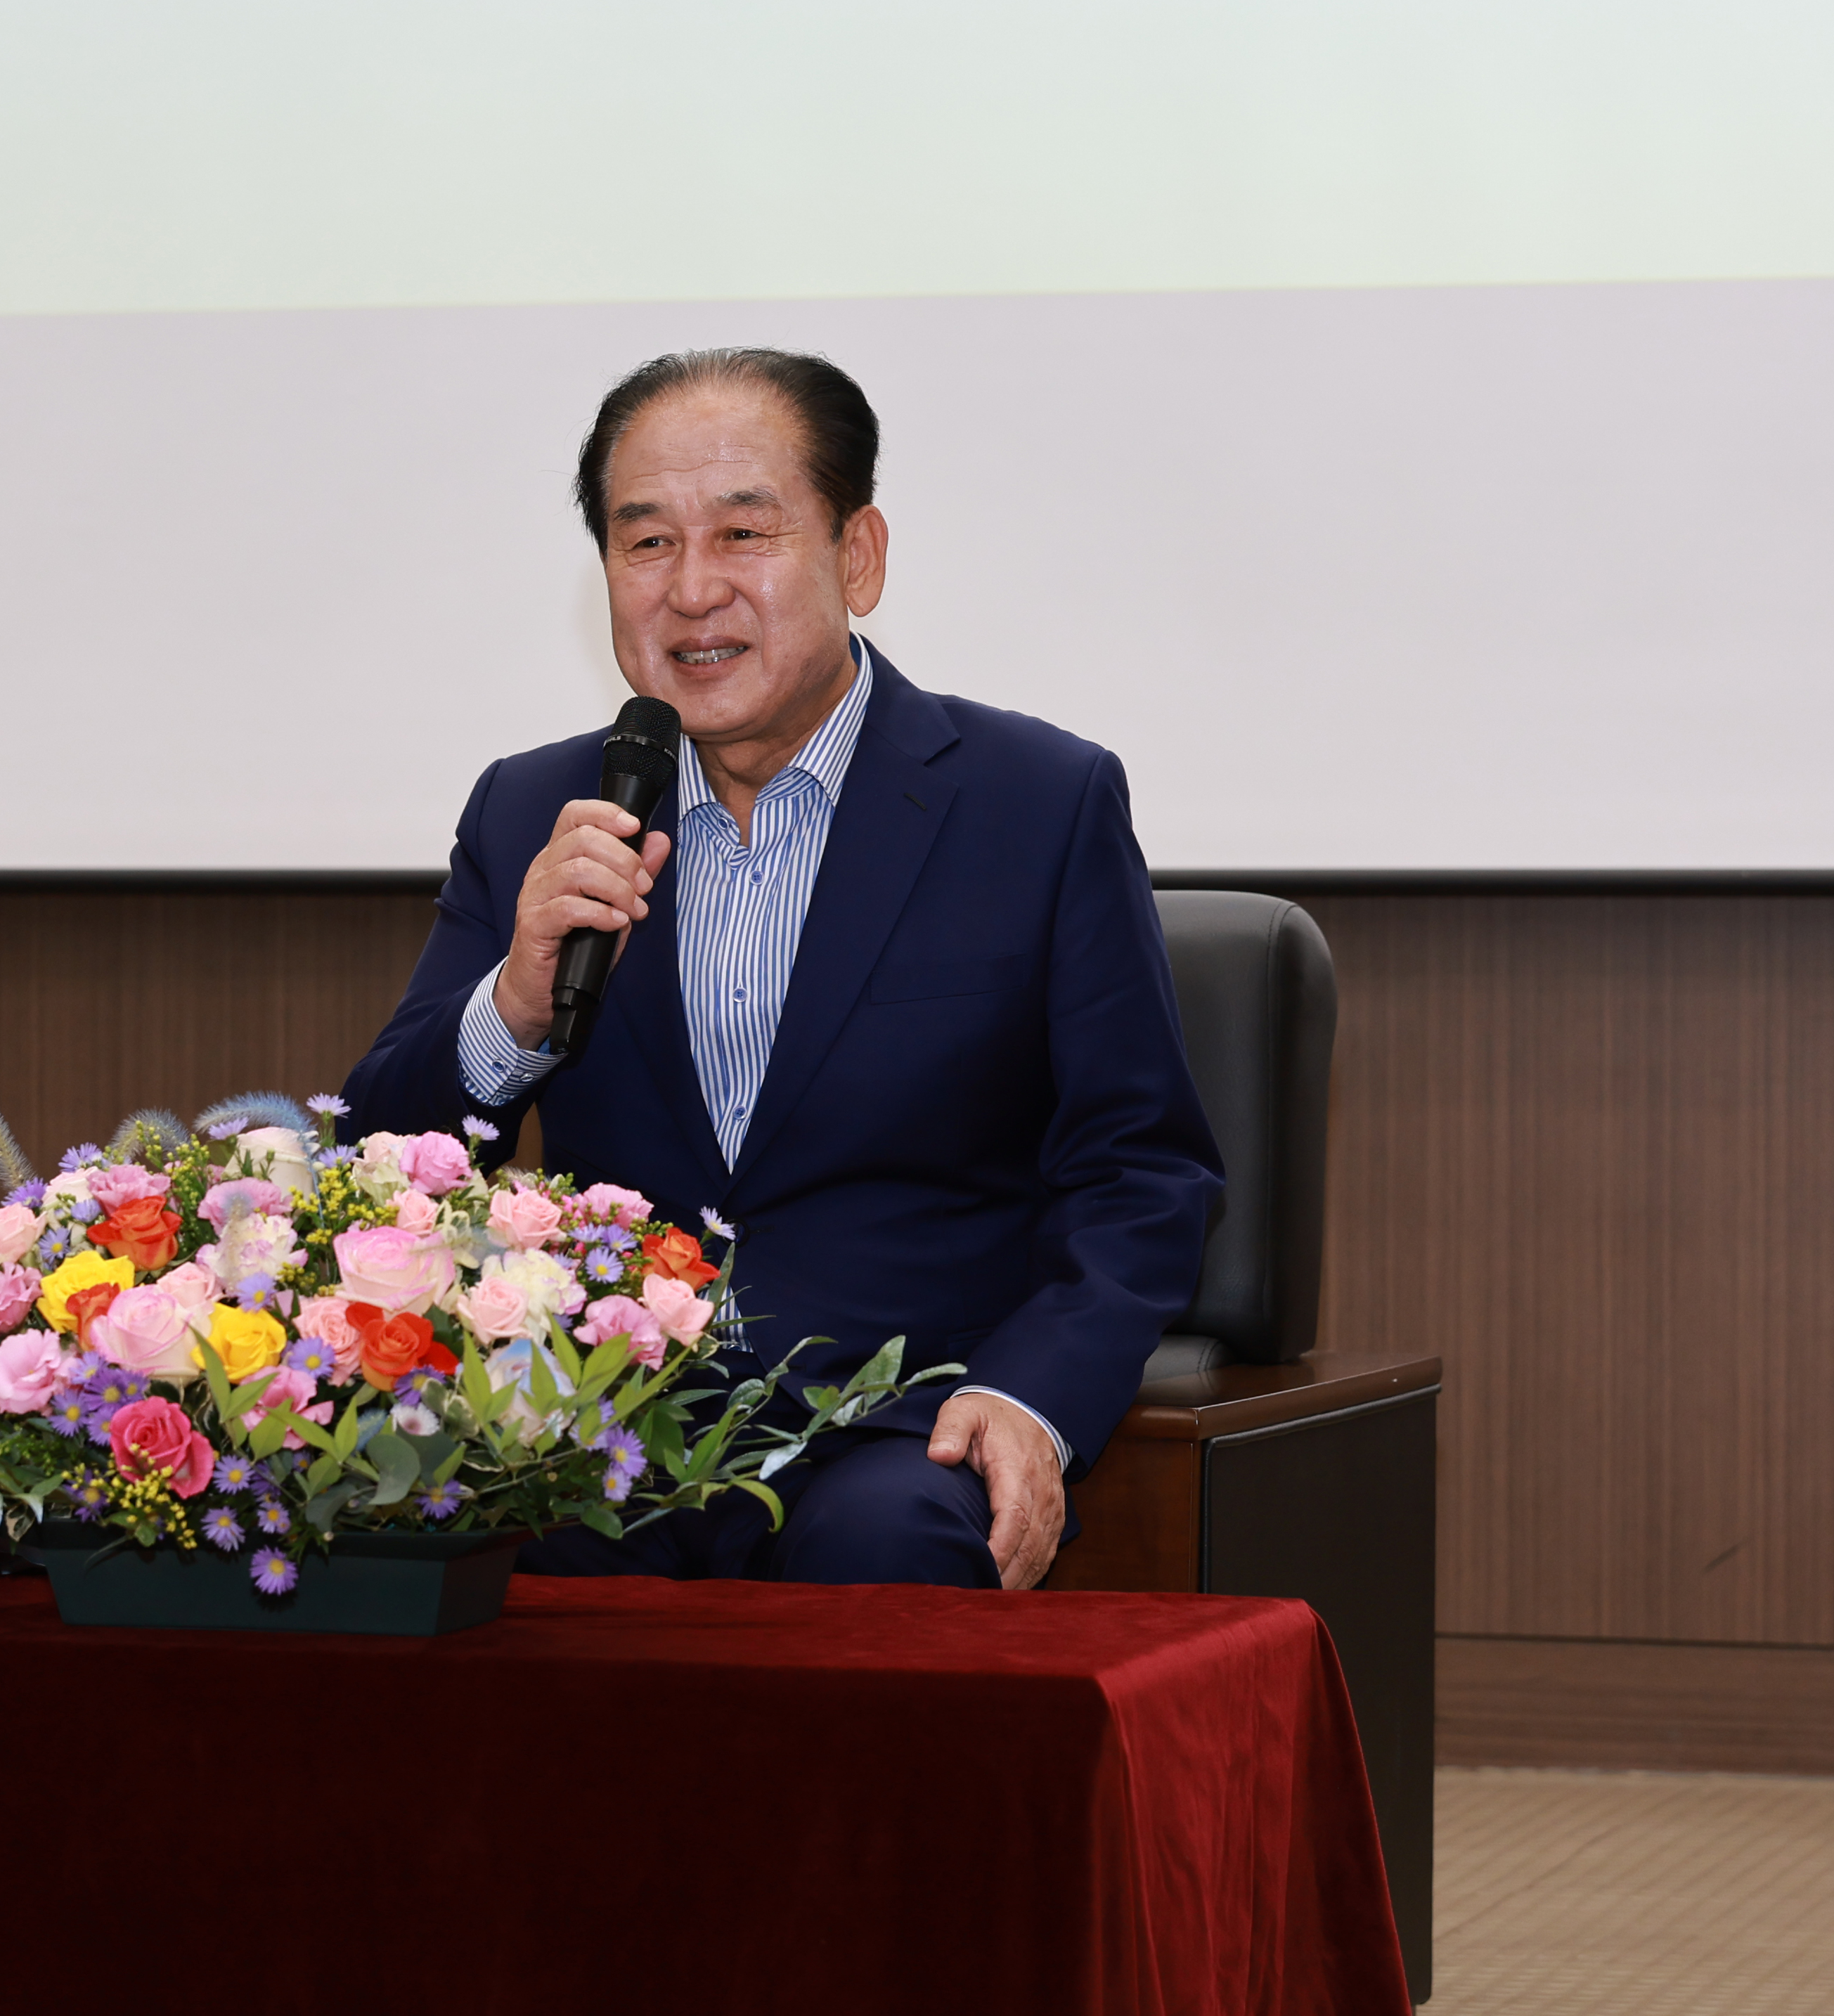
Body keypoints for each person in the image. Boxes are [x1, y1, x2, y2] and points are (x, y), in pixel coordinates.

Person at [339, 349, 1221, 1590]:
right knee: (457, 1554)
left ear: (858, 557)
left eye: (743, 534)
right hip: (612, 1419)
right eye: (647, 543)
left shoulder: (1036, 801)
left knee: (884, 1545)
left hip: (905, 1416)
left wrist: (1032, 1396)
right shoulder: (536, 808)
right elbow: (381, 1167)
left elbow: (1142, 1171)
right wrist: (515, 1006)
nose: (693, 590)